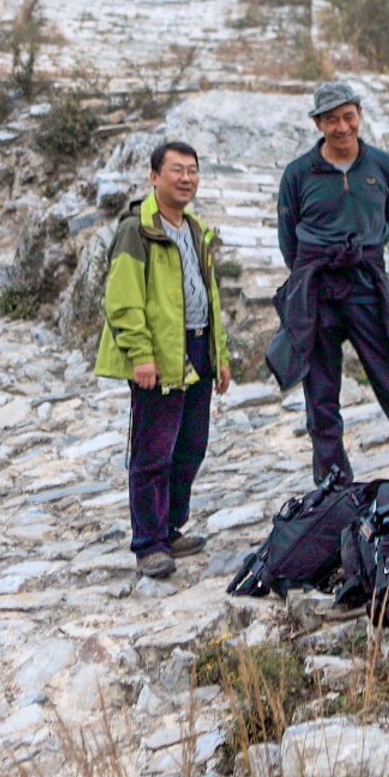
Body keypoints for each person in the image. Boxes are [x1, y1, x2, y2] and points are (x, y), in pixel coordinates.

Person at [267, 81, 389, 485]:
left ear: (359, 114)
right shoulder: (298, 174)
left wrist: (360, 252)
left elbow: (387, 223)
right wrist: (312, 269)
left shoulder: (383, 166)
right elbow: (289, 237)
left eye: (348, 116)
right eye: (331, 119)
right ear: (318, 124)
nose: (341, 127)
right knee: (320, 393)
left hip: (365, 282)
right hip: (316, 287)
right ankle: (333, 481)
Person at [95, 141, 232, 579]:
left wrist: (220, 355)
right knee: (153, 451)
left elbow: (210, 297)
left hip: (196, 349)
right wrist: (140, 355)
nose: (186, 178)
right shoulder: (137, 230)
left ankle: (171, 527)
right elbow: (122, 301)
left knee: (191, 445)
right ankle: (148, 543)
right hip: (158, 354)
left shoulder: (194, 229)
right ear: (154, 177)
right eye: (177, 170)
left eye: (193, 170)